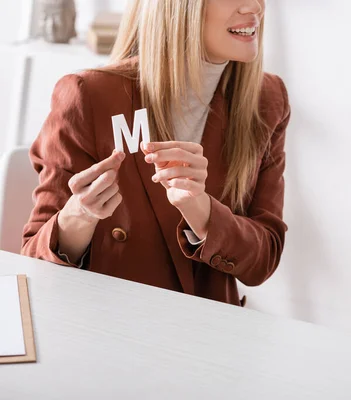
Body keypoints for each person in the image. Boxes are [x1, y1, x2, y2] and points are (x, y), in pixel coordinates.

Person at [22, 0, 290, 307]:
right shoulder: (89, 96)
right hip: (108, 322)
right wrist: (79, 216)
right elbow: (32, 263)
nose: (255, 6)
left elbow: (263, 261)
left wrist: (202, 212)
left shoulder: (267, 101)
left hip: (208, 330)